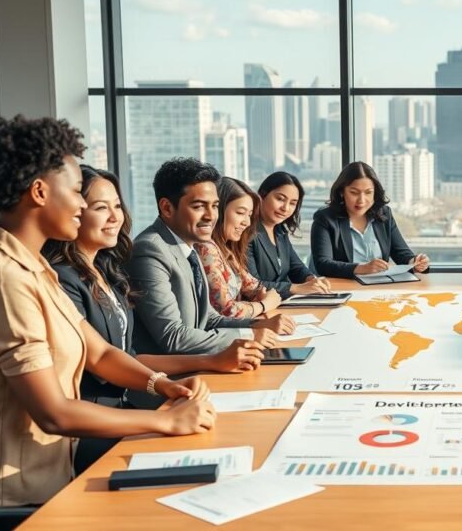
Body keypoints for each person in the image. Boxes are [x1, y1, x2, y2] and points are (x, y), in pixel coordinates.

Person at [0, 116, 215, 508]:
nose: (81, 205)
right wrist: (165, 420)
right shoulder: (4, 279)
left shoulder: (35, 268)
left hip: (55, 477)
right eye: (76, 192)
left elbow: (101, 353)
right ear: (39, 192)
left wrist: (164, 385)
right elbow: (53, 413)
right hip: (16, 501)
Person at [43, 165, 264, 470]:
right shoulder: (64, 279)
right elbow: (105, 362)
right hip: (93, 423)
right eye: (99, 207)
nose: (114, 217)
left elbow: (127, 355)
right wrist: (164, 404)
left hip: (124, 404)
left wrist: (169, 383)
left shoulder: (106, 271)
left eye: (117, 206)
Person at [128, 158, 278, 356]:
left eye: (215, 206)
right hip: (173, 377)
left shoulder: (189, 244)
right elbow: (173, 337)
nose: (211, 216)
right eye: (199, 206)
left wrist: (258, 325)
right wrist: (249, 335)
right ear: (166, 208)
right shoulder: (150, 250)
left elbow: (210, 319)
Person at [194, 177, 294, 334]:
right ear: (218, 211)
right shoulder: (206, 249)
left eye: (250, 214)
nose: (247, 222)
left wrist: (261, 297)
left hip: (238, 333)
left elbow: (255, 287)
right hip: (221, 340)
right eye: (240, 213)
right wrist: (263, 305)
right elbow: (227, 311)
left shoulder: (226, 250)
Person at [311, 161, 430, 279]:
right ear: (342, 192)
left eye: (368, 193)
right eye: (354, 193)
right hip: (343, 286)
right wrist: (361, 268)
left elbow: (401, 253)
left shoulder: (384, 214)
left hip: (378, 287)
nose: (361, 200)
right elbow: (323, 264)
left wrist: (415, 262)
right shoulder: (325, 218)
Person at [248, 171, 331, 298]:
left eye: (292, 203)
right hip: (263, 306)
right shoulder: (247, 233)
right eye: (280, 199)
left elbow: (296, 267)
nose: (286, 208)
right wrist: (295, 288)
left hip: (284, 302)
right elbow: (253, 285)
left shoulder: (280, 231)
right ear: (262, 195)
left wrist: (312, 280)